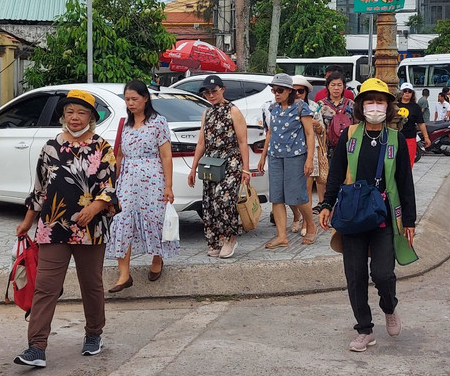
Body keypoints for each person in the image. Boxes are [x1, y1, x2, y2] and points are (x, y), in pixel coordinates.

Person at [14, 89, 118, 368]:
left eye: (81, 112)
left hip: (91, 229)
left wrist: (93, 209)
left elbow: (109, 188)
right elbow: (40, 189)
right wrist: (27, 222)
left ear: (91, 117)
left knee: (91, 284)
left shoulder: (102, 148)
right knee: (45, 286)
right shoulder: (50, 147)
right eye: (70, 111)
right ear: (63, 115)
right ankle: (36, 347)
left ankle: (94, 333)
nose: (74, 117)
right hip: (52, 226)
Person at [319, 78, 418, 352]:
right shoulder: (350, 136)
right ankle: (365, 330)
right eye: (370, 101)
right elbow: (336, 173)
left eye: (380, 101)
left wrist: (409, 220)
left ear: (388, 106)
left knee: (383, 273)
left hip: (383, 215)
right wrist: (326, 204)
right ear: (361, 106)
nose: (375, 106)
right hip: (353, 215)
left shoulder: (396, 139)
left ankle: (389, 306)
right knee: (355, 276)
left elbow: (405, 181)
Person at [108, 81, 177, 292]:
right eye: (127, 99)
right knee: (121, 220)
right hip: (127, 179)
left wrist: (168, 186)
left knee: (154, 219)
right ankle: (124, 275)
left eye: (134, 99)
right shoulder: (125, 124)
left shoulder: (158, 122)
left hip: (153, 178)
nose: (130, 103)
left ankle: (157, 258)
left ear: (145, 98)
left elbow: (166, 156)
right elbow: (119, 155)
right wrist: (112, 185)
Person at [188, 74, 251, 259]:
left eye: (214, 91)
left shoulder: (233, 111)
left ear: (222, 89)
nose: (211, 95)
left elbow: (243, 141)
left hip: (231, 160)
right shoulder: (207, 113)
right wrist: (193, 167)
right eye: (207, 92)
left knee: (224, 198)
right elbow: (201, 142)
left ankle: (230, 238)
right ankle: (216, 239)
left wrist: (246, 169)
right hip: (211, 162)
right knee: (209, 202)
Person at [258, 72, 316, 247]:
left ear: (289, 91)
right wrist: (263, 156)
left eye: (280, 90)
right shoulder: (273, 108)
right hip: (275, 156)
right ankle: (281, 236)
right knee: (276, 197)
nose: (276, 94)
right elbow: (270, 133)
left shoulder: (300, 107)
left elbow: (309, 133)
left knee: (297, 195)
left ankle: (310, 225)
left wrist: (309, 159)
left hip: (295, 156)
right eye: (274, 90)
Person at [295, 76, 328, 232]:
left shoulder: (314, 107)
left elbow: (322, 130)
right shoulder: (286, 108)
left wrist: (316, 125)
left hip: (310, 150)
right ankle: (297, 216)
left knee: (306, 189)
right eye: (293, 91)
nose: (297, 94)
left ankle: (306, 223)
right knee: (293, 190)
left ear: (306, 92)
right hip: (292, 151)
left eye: (300, 91)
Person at [396, 83, 431, 165]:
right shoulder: (395, 105)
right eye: (405, 91)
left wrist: (426, 137)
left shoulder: (416, 107)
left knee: (409, 161)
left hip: (410, 137)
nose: (407, 93)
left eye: (409, 91)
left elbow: (421, 123)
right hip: (396, 137)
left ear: (412, 93)